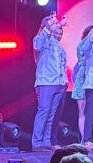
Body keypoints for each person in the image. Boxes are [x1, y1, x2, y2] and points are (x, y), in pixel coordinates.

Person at [33, 14, 69, 151]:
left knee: (51, 114)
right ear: (46, 26)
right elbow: (38, 44)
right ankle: (36, 143)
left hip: (59, 83)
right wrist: (48, 27)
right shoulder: (41, 40)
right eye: (52, 25)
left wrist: (64, 82)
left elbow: (62, 65)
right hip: (46, 82)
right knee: (43, 110)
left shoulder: (59, 46)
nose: (55, 28)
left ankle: (46, 142)